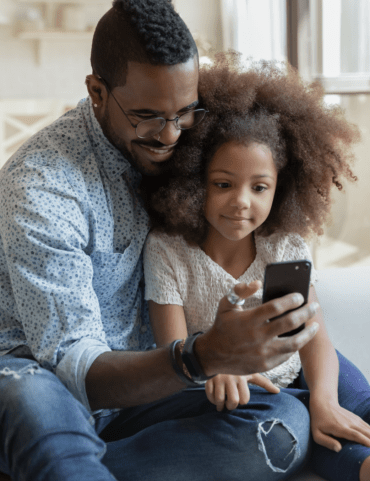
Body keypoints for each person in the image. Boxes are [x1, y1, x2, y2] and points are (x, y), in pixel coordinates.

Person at [0, 2, 319, 480]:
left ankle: (69, 468)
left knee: (283, 425)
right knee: (32, 395)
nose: (170, 136)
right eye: (149, 116)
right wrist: (204, 355)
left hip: (154, 385)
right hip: (49, 385)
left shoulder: (188, 148)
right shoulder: (43, 186)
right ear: (96, 92)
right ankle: (61, 458)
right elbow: (74, 367)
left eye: (183, 112)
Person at [141, 53, 370, 481]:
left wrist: (323, 397)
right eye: (223, 184)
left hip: (305, 367)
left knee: (350, 412)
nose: (242, 201)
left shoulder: (283, 245)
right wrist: (216, 364)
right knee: (316, 439)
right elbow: (172, 356)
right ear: (193, 181)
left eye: (259, 187)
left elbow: (311, 335)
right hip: (243, 392)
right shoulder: (168, 251)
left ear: (281, 189)